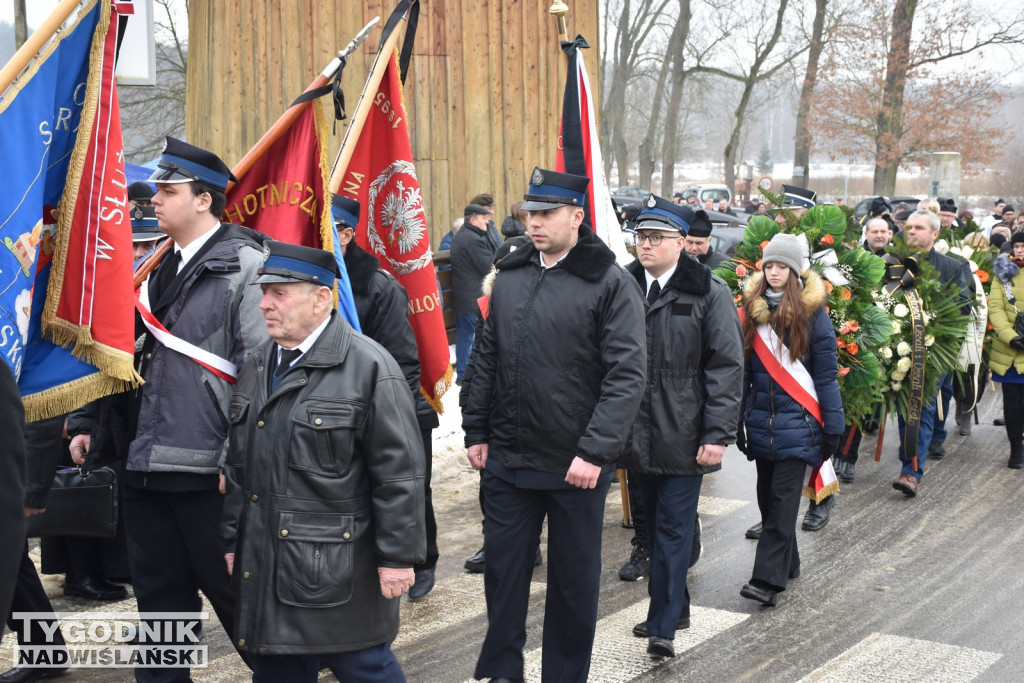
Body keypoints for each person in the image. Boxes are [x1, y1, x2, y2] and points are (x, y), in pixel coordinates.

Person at [463, 167, 646, 682]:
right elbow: (487, 358)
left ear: (577, 217)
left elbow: (626, 376)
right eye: (530, 213)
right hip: (508, 459)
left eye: (546, 214)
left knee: (571, 584)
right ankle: (502, 671)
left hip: (574, 466)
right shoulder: (513, 274)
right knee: (503, 575)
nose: (535, 223)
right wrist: (477, 429)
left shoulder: (609, 283)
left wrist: (595, 452)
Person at [222, 241, 424, 682]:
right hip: (270, 564)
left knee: (364, 667)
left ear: (321, 298)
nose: (265, 304)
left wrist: (398, 557)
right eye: (264, 292)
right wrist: (235, 541)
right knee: (276, 670)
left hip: (336, 571)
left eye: (280, 293)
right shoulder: (258, 364)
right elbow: (241, 467)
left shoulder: (369, 366)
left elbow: (399, 475)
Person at [127, 136, 267, 682]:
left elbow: (258, 371)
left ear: (204, 199)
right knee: (160, 615)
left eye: (168, 190)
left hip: (209, 472)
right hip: (147, 468)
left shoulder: (245, 266)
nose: (154, 200)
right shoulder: (156, 265)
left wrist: (237, 459)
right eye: (156, 190)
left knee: (243, 612)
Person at [620, 196, 743, 657]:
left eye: (656, 237)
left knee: (672, 529)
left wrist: (716, 434)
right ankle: (678, 605)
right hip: (633, 432)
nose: (645, 245)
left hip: (684, 433)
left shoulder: (708, 291)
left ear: (680, 243)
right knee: (652, 527)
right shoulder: (623, 285)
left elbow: (726, 366)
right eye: (641, 237)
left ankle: (663, 625)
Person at [332, 195, 440, 600]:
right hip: (340, 411)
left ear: (347, 234)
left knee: (410, 491)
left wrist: (386, 418)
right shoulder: (315, 279)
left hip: (397, 407)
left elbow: (402, 362)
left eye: (330, 229)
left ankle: (422, 559)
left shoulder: (377, 286)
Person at [737, 233, 844, 606]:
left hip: (801, 425)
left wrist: (833, 426)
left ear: (795, 271)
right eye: (769, 265)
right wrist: (737, 419)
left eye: (782, 266)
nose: (775, 272)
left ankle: (766, 581)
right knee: (767, 499)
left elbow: (826, 377)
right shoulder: (750, 310)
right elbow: (744, 373)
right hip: (763, 425)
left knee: (783, 501)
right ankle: (789, 562)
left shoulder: (814, 316)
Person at [891, 210, 971, 496]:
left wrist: (933, 321)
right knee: (904, 408)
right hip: (895, 348)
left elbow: (963, 307)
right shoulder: (893, 262)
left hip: (933, 353)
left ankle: (911, 472)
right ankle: (907, 460)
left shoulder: (951, 266)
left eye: (919, 227)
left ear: (935, 233)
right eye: (909, 227)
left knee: (921, 408)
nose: (911, 231)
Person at [988, 233, 1024, 468]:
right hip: (1011, 350)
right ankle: (1016, 448)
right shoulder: (1002, 275)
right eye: (1017, 246)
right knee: (1012, 404)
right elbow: (996, 308)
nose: (1020, 250)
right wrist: (1011, 338)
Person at [451, 203, 497, 383]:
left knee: (465, 337)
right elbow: (488, 266)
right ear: (473, 219)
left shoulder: (464, 236)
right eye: (483, 217)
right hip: (472, 298)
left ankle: (463, 375)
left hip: (463, 297)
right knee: (473, 339)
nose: (487, 221)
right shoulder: (473, 240)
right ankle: (468, 376)